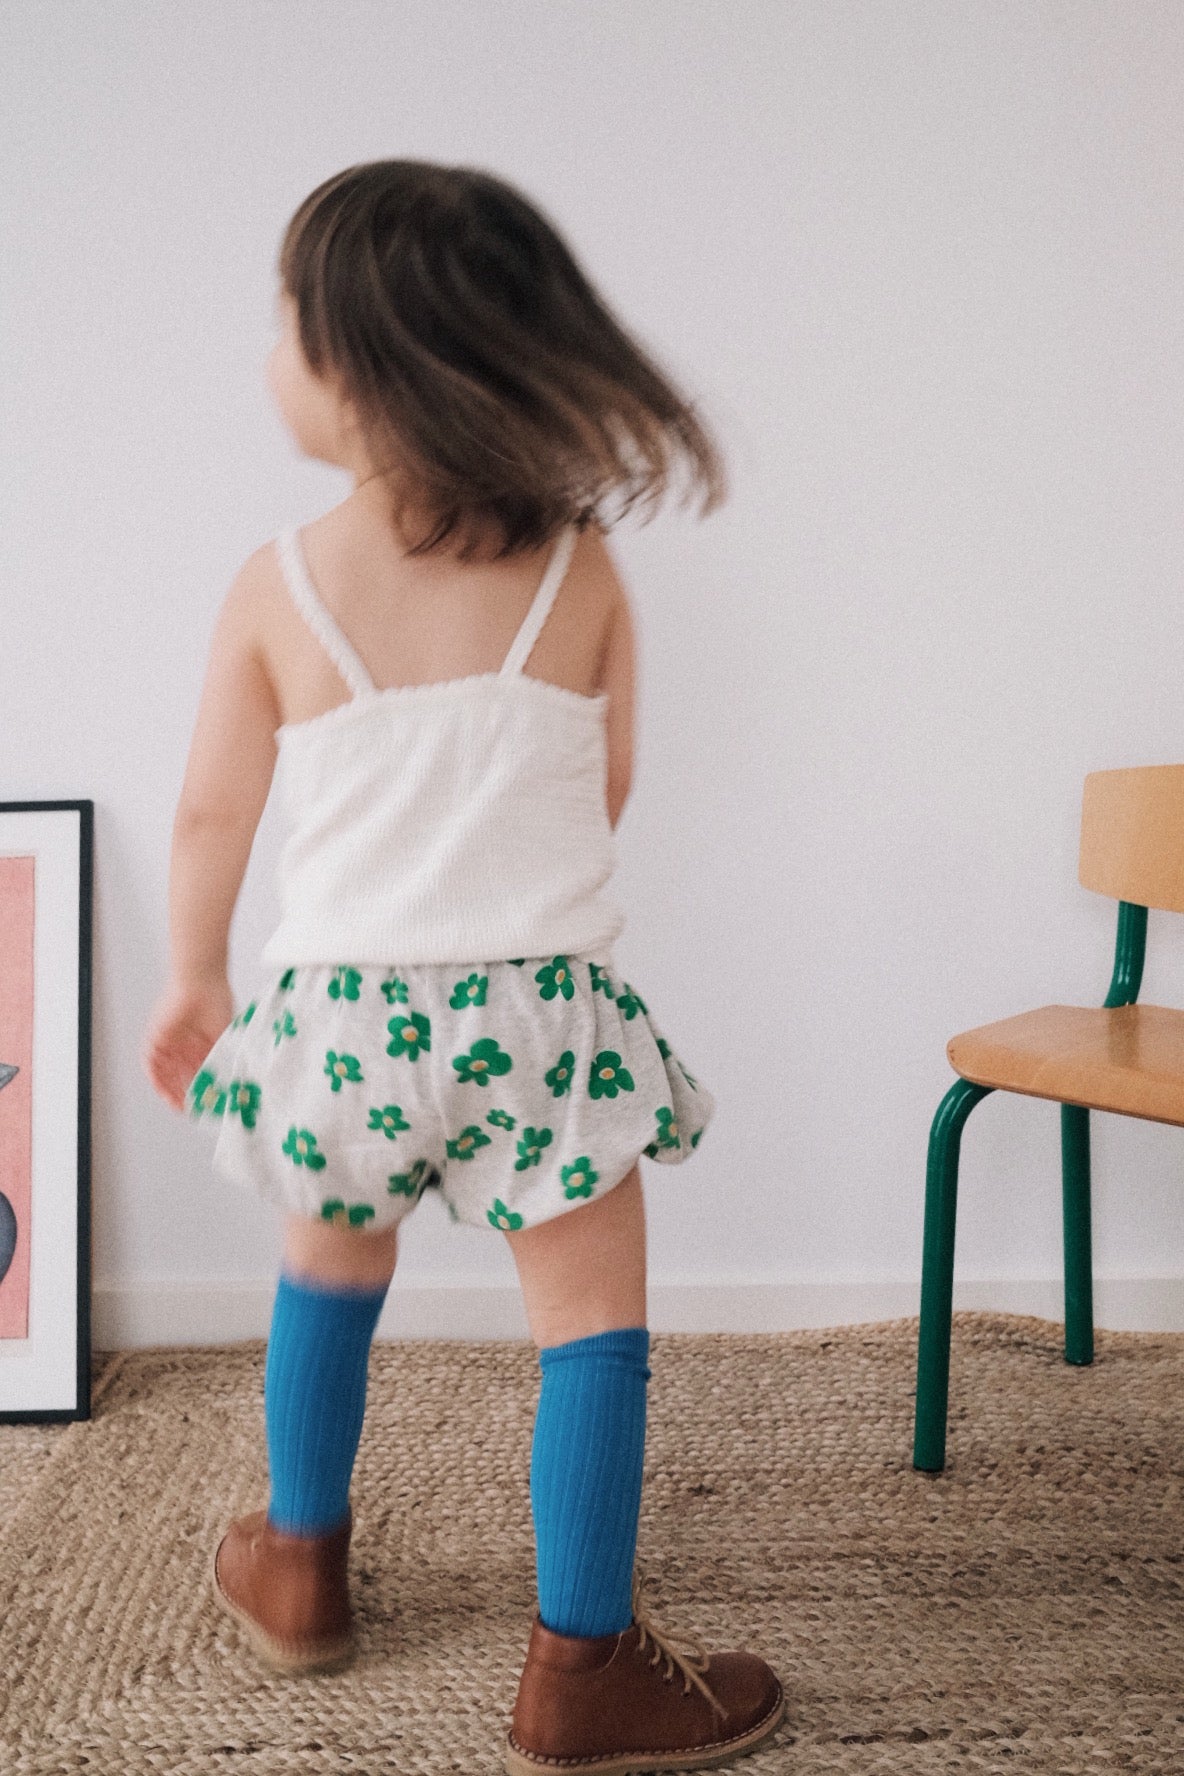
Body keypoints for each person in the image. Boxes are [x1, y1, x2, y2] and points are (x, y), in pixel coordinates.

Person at [141, 159, 784, 1773]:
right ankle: (581, 1670)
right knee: (591, 1332)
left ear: (353, 362)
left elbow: (217, 809)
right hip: (539, 1013)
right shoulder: (582, 570)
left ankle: (299, 1567)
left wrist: (193, 981)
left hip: (346, 1015)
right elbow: (608, 783)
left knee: (326, 1276)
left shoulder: (280, 583)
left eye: (284, 316)